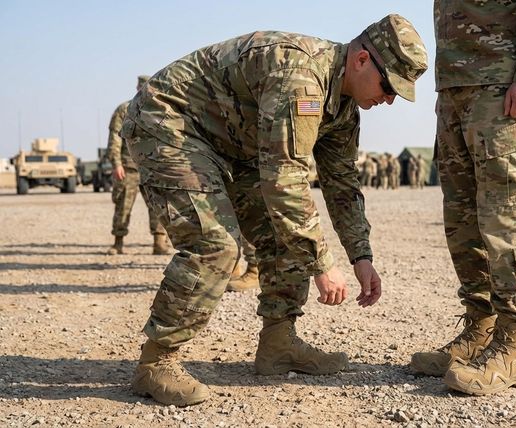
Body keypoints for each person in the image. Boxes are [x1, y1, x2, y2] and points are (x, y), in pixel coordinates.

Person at [122, 14, 427, 407]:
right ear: (361, 60)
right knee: (215, 244)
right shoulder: (301, 77)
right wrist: (322, 264)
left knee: (285, 239)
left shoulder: (343, 108)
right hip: (171, 125)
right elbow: (285, 180)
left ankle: (278, 344)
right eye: (388, 87)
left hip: (235, 145)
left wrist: (360, 255)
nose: (389, 100)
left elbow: (342, 184)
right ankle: (156, 363)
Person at [410, 1, 516, 396]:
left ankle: (515, 347)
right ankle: (480, 331)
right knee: (463, 220)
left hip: (504, 88)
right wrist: (450, 91)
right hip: (456, 89)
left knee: (507, 219)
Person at [106, 75, 171, 256]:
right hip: (128, 168)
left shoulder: (159, 111)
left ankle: (159, 243)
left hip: (152, 167)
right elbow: (114, 139)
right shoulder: (124, 110)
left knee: (158, 205)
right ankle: (118, 243)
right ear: (137, 88)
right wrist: (116, 163)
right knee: (123, 205)